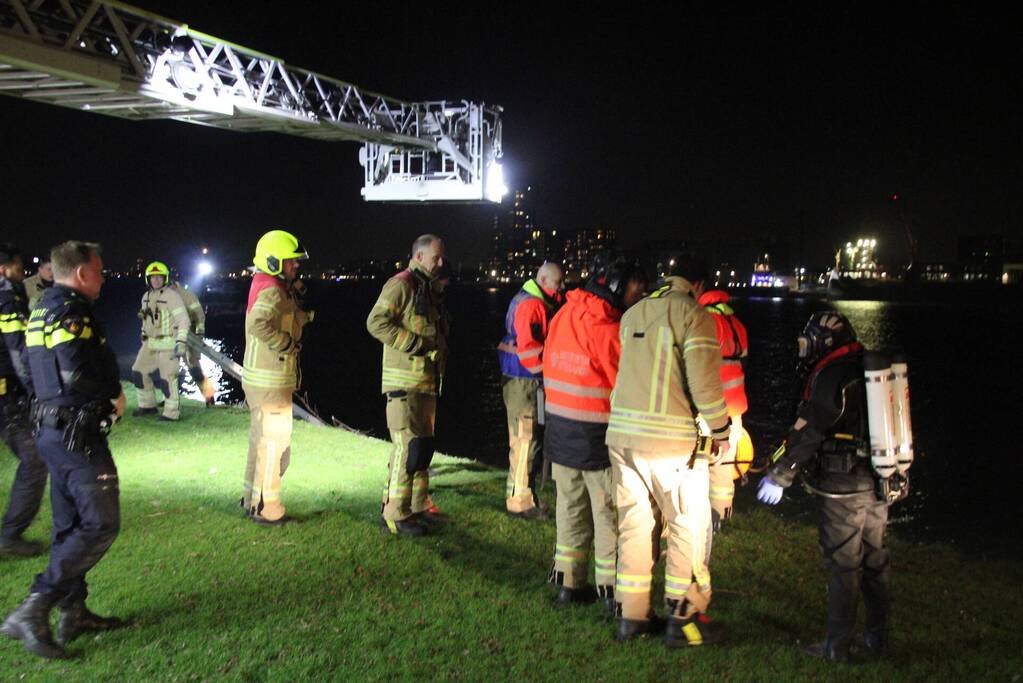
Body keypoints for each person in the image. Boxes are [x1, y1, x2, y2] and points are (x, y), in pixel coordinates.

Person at [1, 241, 125, 659]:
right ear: (82, 273)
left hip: (52, 430)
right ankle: (35, 607)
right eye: (100, 270)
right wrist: (111, 397)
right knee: (100, 523)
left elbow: (31, 370)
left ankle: (73, 610)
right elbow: (76, 372)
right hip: (76, 434)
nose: (104, 278)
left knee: (69, 525)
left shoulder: (41, 307)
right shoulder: (71, 312)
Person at [605, 253, 731, 647]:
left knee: (635, 526)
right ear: (698, 286)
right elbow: (706, 388)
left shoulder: (633, 315)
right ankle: (683, 619)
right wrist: (723, 431)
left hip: (622, 438)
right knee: (684, 525)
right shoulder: (696, 317)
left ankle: (632, 617)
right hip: (670, 444)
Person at [757, 311, 892, 662]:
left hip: (842, 483)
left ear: (826, 342)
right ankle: (876, 637)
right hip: (877, 479)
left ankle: (837, 646)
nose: (805, 351)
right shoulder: (868, 368)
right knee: (875, 559)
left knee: (844, 563)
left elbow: (809, 429)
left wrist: (780, 474)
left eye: (809, 343)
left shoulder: (833, 374)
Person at [544, 255, 646, 613]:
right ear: (616, 286)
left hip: (559, 433)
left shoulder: (562, 317)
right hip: (596, 437)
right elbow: (628, 384)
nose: (642, 291)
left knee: (569, 509)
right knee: (607, 516)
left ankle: (569, 584)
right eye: (637, 284)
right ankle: (609, 590)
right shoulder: (611, 330)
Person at [367, 234, 448, 537]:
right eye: (436, 257)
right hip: (404, 384)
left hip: (425, 383)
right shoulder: (401, 284)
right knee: (407, 448)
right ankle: (395, 513)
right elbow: (376, 322)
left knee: (423, 448)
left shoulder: (427, 289)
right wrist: (415, 344)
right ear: (419, 256)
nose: (441, 263)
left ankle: (417, 505)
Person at [241, 230, 312, 526]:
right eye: (290, 262)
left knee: (261, 441)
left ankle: (251, 499)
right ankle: (266, 508)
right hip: (269, 379)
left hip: (265, 379)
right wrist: (285, 343)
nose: (295, 266)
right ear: (273, 262)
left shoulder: (270, 285)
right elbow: (258, 323)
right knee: (274, 445)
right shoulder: (271, 290)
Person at [497, 262, 564, 519]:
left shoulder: (528, 299)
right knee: (525, 440)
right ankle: (519, 501)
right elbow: (529, 351)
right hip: (526, 381)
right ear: (544, 280)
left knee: (526, 439)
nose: (562, 287)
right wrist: (551, 374)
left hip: (521, 380)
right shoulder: (533, 305)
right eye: (558, 283)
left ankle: (524, 494)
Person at [0, 244, 47, 558]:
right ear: (5, 269)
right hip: (6, 396)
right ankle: (9, 537)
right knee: (35, 459)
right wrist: (38, 391)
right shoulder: (8, 299)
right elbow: (19, 352)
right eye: (18, 267)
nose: (22, 272)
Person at [697, 287, 749, 531]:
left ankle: (697, 521)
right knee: (725, 469)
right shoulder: (737, 324)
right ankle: (723, 517)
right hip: (735, 410)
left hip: (710, 409)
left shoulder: (705, 323)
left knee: (699, 463)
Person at [130, 261, 190, 421]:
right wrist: (143, 333)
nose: (156, 280)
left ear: (165, 278)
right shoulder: (146, 296)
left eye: (159, 277)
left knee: (167, 378)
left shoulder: (172, 296)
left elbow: (183, 320)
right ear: (147, 279)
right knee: (138, 372)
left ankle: (171, 413)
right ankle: (147, 406)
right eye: (153, 277)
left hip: (169, 344)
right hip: (149, 343)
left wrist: (181, 342)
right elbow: (146, 318)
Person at [169, 280, 214, 406]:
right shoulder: (164, 295)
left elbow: (199, 315)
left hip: (190, 335)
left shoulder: (187, 296)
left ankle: (209, 397)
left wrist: (199, 335)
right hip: (173, 335)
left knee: (194, 367)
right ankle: (169, 398)